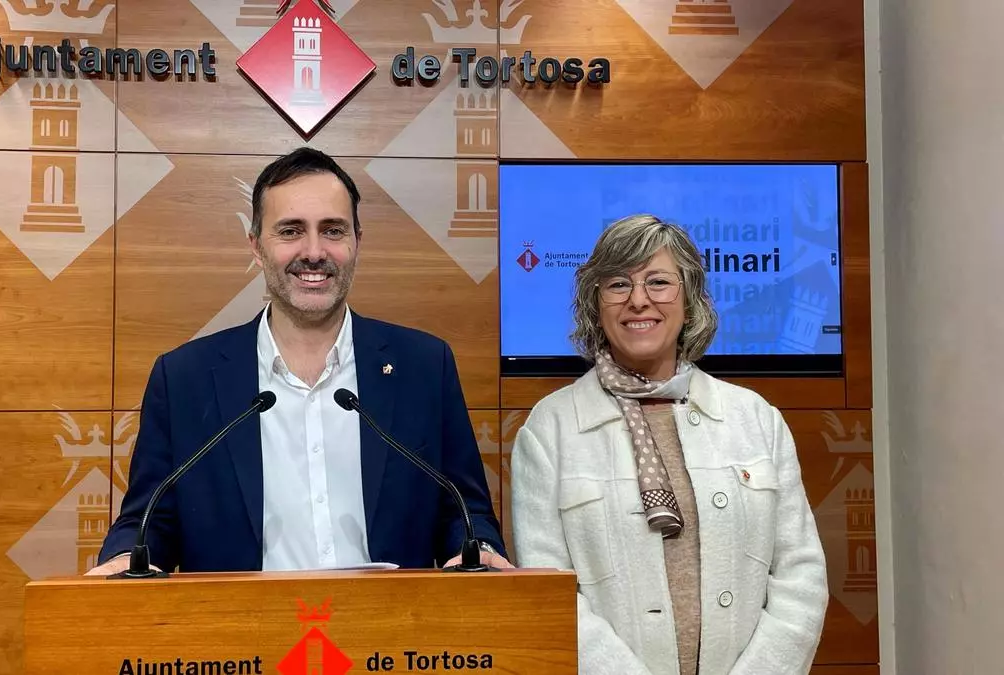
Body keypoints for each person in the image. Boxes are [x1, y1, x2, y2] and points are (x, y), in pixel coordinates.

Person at [89, 147, 509, 575]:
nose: (313, 251)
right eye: (290, 231)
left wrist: (477, 549)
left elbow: (465, 512)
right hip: (243, 619)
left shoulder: (424, 367)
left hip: (391, 618)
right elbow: (148, 523)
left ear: (357, 242)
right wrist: (126, 560)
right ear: (256, 246)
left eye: (333, 230)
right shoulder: (184, 379)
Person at [509, 215, 827, 674]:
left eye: (658, 282)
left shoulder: (755, 418)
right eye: (618, 284)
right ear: (595, 304)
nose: (639, 300)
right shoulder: (550, 428)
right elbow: (550, 594)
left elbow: (801, 575)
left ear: (690, 299)